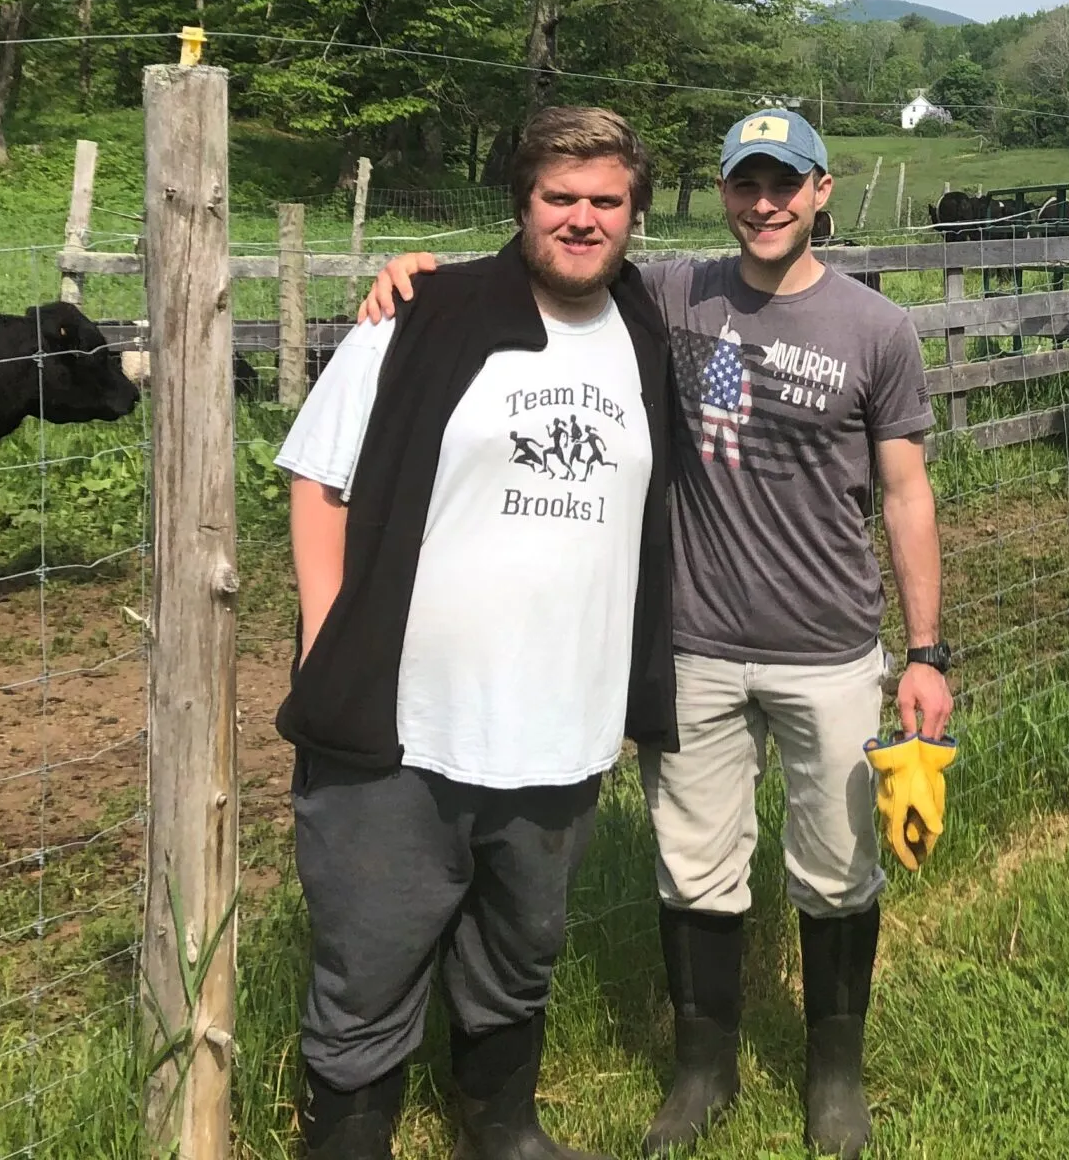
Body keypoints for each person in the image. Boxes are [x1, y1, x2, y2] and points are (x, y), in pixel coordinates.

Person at [362, 107, 950, 1158]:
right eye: (745, 185)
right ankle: (702, 1069)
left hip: (828, 646)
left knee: (836, 864)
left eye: (786, 184)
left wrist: (926, 652)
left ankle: (833, 1073)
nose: (764, 204)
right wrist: (422, 272)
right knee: (696, 864)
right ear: (722, 195)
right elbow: (557, 255)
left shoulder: (875, 329)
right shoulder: (675, 292)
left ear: (823, 192)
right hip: (695, 646)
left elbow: (906, 496)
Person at [275, 107, 680, 1160]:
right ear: (522, 204)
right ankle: (349, 1143)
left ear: (635, 214)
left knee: (522, 945)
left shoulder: (643, 332)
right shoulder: (424, 314)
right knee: (369, 953)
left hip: (562, 719)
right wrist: (328, 636)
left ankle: (500, 1130)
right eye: (560, 198)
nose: (583, 220)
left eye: (606, 200)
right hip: (406, 722)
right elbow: (318, 480)